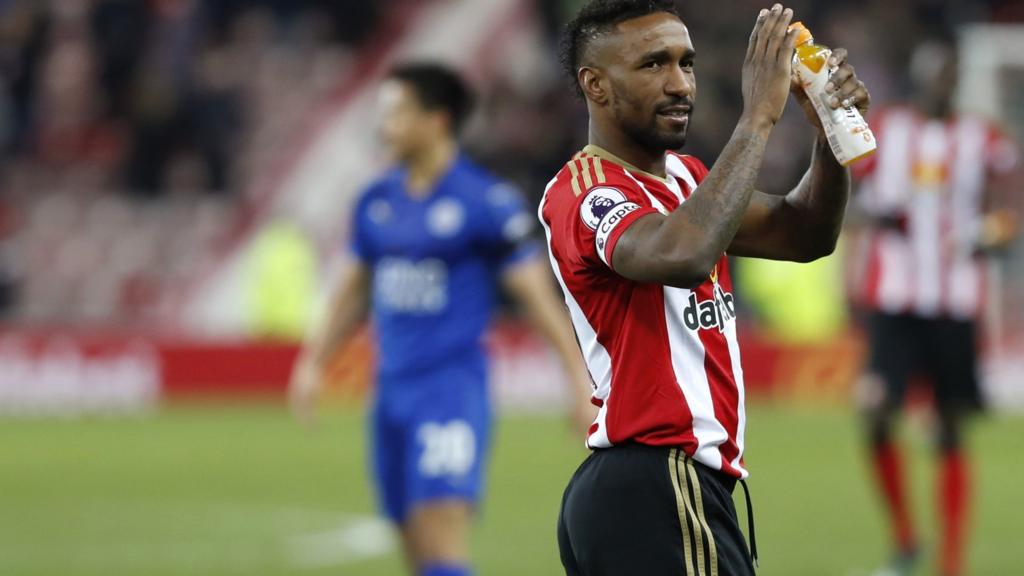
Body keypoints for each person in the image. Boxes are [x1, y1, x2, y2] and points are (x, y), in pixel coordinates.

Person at [543, 2, 871, 574]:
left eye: (686, 64)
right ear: (594, 84)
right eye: (652, 65)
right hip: (654, 481)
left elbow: (805, 232)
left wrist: (828, 136)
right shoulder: (585, 190)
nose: (679, 84)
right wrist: (759, 118)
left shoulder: (688, 180)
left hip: (676, 488)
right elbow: (682, 254)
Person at [288, 63, 595, 576]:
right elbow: (354, 290)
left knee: (441, 545)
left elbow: (537, 298)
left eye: (396, 113)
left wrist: (575, 379)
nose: (384, 126)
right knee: (413, 546)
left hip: (449, 392)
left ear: (437, 120)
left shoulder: (483, 203)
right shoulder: (376, 201)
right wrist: (313, 361)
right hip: (389, 395)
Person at [849, 39, 1019, 576]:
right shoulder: (887, 132)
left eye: (949, 76)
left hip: (954, 304)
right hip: (894, 300)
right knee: (876, 409)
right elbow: (852, 198)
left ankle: (949, 564)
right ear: (917, 79)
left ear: (956, 81)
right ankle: (904, 539)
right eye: (932, 75)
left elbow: (1009, 212)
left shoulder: (983, 138)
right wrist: (869, 228)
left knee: (949, 427)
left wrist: (989, 233)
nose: (940, 84)